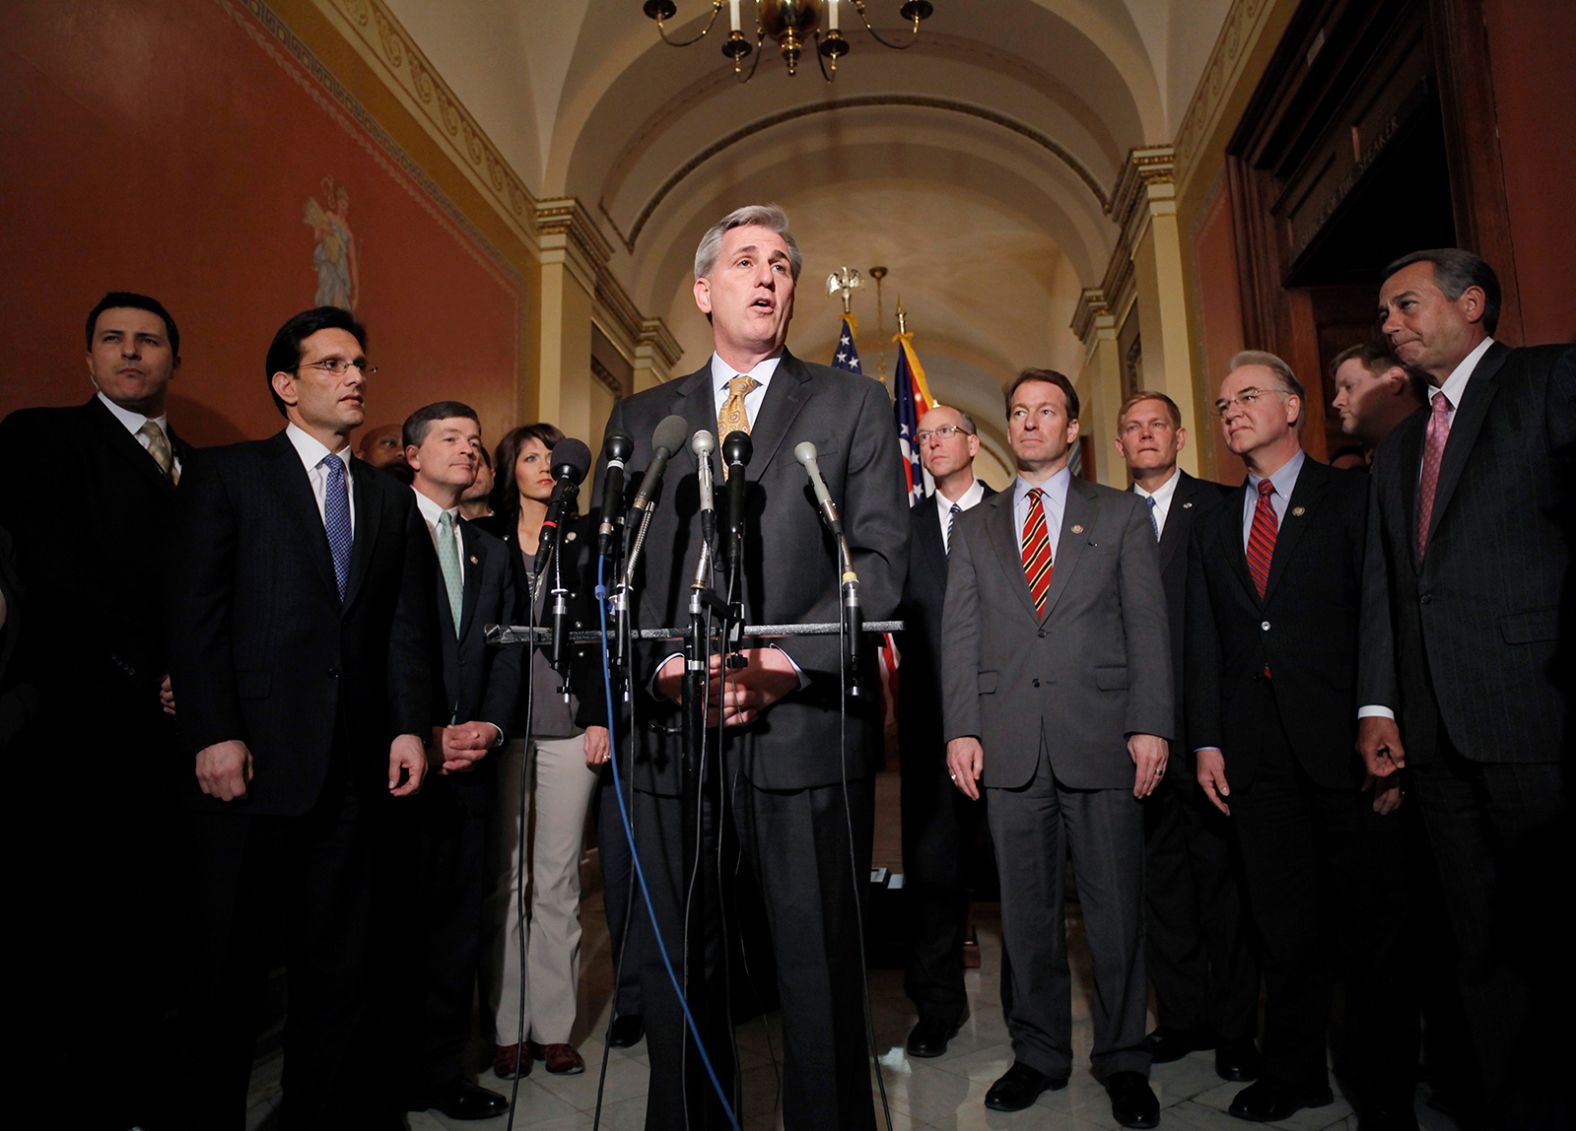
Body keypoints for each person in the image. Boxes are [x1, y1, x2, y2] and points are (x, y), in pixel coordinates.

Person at [595, 203, 907, 1130]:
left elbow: (881, 563)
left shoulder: (850, 403)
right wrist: (660, 673)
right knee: (681, 971)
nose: (766, 276)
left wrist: (780, 657)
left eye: (780, 263)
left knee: (816, 974)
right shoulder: (645, 415)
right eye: (743, 261)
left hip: (805, 735)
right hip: (672, 740)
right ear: (703, 290)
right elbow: (624, 571)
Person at [165, 305, 434, 1130]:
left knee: (340, 966)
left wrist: (405, 724)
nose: (355, 377)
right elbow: (195, 612)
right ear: (286, 385)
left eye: (361, 364)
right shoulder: (228, 475)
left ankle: (317, 1114)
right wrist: (213, 729)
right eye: (332, 365)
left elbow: (402, 624)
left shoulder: (386, 502)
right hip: (251, 763)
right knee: (229, 972)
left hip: (355, 770)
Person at [1358, 249, 1574, 1126]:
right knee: (1479, 948)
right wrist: (1380, 702)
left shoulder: (1549, 380)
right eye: (1382, 313)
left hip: (1537, 716)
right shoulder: (1400, 444)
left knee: (1558, 939)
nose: (1388, 325)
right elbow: (1389, 584)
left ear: (1472, 303)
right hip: (1436, 737)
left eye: (1404, 304)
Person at [1186, 351, 1416, 1127]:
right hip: (1252, 750)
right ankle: (1294, 1074)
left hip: (1342, 741)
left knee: (1368, 927)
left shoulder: (1352, 495)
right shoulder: (1214, 519)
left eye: (1248, 396)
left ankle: (1381, 1087)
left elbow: (1383, 612)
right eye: (1222, 405)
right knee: (1280, 924)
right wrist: (1208, 739)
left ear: (1293, 407)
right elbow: (1205, 638)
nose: (1232, 412)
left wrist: (1378, 713)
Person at [943, 369, 1169, 1128]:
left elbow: (1147, 625)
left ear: (1073, 428)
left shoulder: (1121, 514)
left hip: (1103, 737)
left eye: (1047, 411)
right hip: (1007, 742)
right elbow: (961, 633)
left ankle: (1124, 1059)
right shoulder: (976, 526)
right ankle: (1038, 1052)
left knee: (1113, 911)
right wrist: (961, 727)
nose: (1032, 422)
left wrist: (1152, 722)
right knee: (1028, 915)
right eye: (1019, 412)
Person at [0, 290, 192, 1129]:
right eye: (112, 339)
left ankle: (136, 1093)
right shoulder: (41, 437)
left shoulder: (199, 463)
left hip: (173, 738)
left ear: (171, 360)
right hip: (72, 734)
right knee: (62, 932)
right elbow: (54, 574)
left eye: (148, 340)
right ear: (87, 358)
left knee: (152, 927)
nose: (130, 351)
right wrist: (145, 667)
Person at [1111, 390, 1260, 1082]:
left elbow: (1231, 629)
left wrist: (1215, 731)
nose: (1145, 436)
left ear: (1177, 436)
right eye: (1133, 427)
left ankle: (1236, 1029)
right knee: (1160, 887)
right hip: (1133, 738)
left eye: (1156, 425)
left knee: (1221, 886)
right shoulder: (1105, 519)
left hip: (1206, 734)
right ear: (1119, 444)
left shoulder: (1221, 508)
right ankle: (1182, 1016)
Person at [397, 401, 521, 1121]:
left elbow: (506, 645)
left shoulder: (491, 548)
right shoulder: (379, 523)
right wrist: (423, 729)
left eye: (475, 441)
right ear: (412, 454)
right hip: (400, 761)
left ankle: (440, 1070)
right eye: (449, 438)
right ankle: (384, 1066)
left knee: (455, 930)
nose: (468, 451)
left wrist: (493, 727)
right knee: (394, 926)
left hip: (473, 761)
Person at [477, 422, 609, 1080]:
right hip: (498, 729)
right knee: (506, 880)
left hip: (567, 727)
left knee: (556, 880)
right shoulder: (484, 538)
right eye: (529, 457)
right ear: (509, 470)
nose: (543, 466)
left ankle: (553, 1027)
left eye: (552, 457)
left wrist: (602, 714)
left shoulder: (585, 541)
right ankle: (506, 1026)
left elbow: (606, 629)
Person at [898, 403, 996, 1059]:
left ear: (975, 443)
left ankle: (1034, 1014)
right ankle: (935, 1008)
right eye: (924, 435)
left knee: (1022, 879)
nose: (933, 443)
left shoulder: (1018, 514)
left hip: (1014, 718)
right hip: (929, 725)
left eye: (945, 433)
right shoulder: (902, 529)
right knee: (932, 874)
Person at [1329, 340, 1426, 457]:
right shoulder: (1385, 462)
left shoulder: (1439, 443)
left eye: (1349, 387)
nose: (1336, 402)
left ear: (1394, 381)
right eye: (1338, 392)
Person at [459, 441, 495, 518]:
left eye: (478, 465)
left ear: (492, 474)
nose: (472, 473)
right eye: (463, 467)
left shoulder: (516, 526)